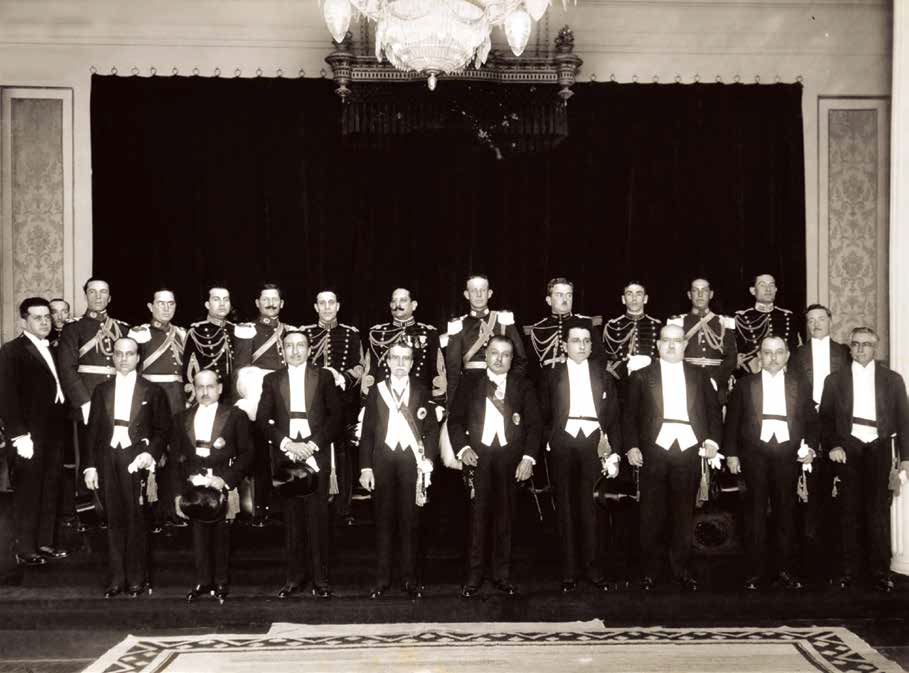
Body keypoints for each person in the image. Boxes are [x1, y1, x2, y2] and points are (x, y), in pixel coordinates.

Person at [624, 324, 723, 591]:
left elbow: (714, 411)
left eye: (677, 341)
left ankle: (681, 569)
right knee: (651, 512)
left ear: (684, 345)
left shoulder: (699, 375)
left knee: (683, 511)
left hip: (689, 447)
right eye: (666, 341)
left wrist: (712, 440)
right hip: (653, 449)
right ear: (657, 345)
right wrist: (631, 446)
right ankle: (650, 571)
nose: (671, 346)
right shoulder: (642, 376)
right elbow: (629, 416)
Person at [447, 335, 541, 598]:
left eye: (506, 355)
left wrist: (528, 458)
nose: (499, 360)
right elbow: (454, 421)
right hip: (478, 456)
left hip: (511, 460)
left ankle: (502, 575)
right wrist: (463, 449)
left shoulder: (523, 386)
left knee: (506, 518)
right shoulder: (470, 382)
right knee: (476, 519)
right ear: (485, 356)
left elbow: (534, 426)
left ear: (512, 359)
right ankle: (474, 576)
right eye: (495, 354)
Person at [819, 326, 909, 592]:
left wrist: (906, 458)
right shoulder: (835, 380)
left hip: (880, 446)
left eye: (866, 344)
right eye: (856, 344)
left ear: (875, 348)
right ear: (849, 347)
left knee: (878, 511)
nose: (860, 349)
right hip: (849, 446)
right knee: (848, 510)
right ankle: (848, 571)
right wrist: (834, 445)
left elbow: (904, 420)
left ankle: (880, 572)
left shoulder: (892, 379)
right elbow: (824, 419)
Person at [725, 336, 818, 591]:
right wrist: (731, 454)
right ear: (760, 357)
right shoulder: (745, 385)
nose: (773, 357)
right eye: (767, 353)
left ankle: (786, 570)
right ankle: (755, 573)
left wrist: (809, 447)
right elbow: (732, 421)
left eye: (778, 352)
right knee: (754, 514)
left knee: (786, 513)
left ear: (787, 355)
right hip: (754, 453)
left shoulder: (800, 384)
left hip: (788, 454)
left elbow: (811, 420)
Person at [256, 331, 343, 599]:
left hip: (315, 452)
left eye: (300, 345)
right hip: (286, 455)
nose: (295, 351)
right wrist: (287, 445)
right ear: (283, 351)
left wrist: (312, 445)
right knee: (292, 519)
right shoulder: (271, 380)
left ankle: (321, 580)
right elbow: (262, 420)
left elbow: (336, 417)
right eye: (290, 346)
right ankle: (294, 578)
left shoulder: (324, 377)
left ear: (309, 349)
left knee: (318, 519)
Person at [82, 337, 171, 597]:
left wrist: (149, 454)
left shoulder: (152, 391)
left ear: (137, 358)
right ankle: (117, 578)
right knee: (113, 518)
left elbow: (163, 430)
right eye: (119, 354)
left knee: (135, 517)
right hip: (107, 458)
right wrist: (89, 466)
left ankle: (136, 578)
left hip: (135, 458)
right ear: (113, 357)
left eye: (129, 354)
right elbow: (92, 431)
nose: (123, 358)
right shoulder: (101, 390)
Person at [540, 326, 621, 593]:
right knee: (564, 506)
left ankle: (594, 569)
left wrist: (614, 452)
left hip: (593, 441)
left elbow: (613, 416)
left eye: (586, 341)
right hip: (563, 440)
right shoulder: (552, 375)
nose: (582, 345)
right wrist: (550, 439)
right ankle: (569, 571)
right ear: (565, 346)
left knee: (593, 506)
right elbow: (542, 413)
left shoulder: (603, 376)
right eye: (576, 341)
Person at [358, 342, 440, 599]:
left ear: (413, 363)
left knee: (411, 520)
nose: (401, 363)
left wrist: (428, 459)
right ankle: (382, 579)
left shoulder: (421, 390)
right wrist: (365, 467)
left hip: (411, 461)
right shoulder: (376, 392)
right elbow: (367, 433)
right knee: (383, 520)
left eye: (406, 359)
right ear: (388, 362)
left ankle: (410, 579)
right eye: (396, 358)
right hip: (382, 459)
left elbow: (431, 430)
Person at [170, 370, 253, 602]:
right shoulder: (181, 418)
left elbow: (248, 454)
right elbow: (176, 460)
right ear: (194, 389)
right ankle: (202, 581)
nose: (205, 392)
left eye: (209, 387)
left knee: (221, 535)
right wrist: (177, 494)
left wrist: (225, 479)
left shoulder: (236, 416)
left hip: (221, 484)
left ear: (220, 388)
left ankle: (221, 581)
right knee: (197, 536)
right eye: (200, 387)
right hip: (193, 486)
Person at [0, 298, 68, 566]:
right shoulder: (12, 351)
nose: (44, 321)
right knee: (29, 490)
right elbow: (6, 396)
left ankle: (44, 542)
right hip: (28, 434)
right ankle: (26, 548)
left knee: (50, 487)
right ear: (23, 320)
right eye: (37, 317)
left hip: (52, 433)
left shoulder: (51, 348)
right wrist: (18, 435)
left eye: (47, 317)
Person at [788, 303, 851, 584]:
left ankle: (837, 568)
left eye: (820, 319)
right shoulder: (797, 355)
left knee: (838, 499)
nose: (815, 324)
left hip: (838, 431)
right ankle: (808, 568)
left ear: (830, 321)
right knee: (807, 500)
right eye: (810, 320)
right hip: (806, 430)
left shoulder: (845, 353)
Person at [57, 279, 129, 502]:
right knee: (87, 458)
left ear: (109, 297)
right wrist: (84, 402)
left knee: (115, 456)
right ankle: (87, 511)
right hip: (87, 402)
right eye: (92, 292)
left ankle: (112, 507)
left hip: (118, 401)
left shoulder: (123, 328)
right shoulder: (73, 328)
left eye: (103, 292)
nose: (98, 297)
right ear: (85, 295)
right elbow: (66, 369)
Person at [301, 290, 366, 524]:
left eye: (331, 303)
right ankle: (315, 502)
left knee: (344, 453)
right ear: (316, 307)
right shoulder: (305, 333)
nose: (327, 307)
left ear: (338, 306)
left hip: (343, 399)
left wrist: (344, 377)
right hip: (312, 401)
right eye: (322, 303)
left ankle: (343, 507)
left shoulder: (351, 333)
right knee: (313, 449)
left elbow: (361, 365)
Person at [232, 283, 293, 525]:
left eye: (275, 299)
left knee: (284, 450)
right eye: (265, 299)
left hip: (287, 396)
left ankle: (286, 503)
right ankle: (260, 505)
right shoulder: (247, 330)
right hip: (257, 395)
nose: (270, 303)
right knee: (259, 453)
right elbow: (241, 368)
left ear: (282, 303)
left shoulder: (291, 331)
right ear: (257, 303)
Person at [129, 288, 188, 529]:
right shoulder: (140, 333)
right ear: (150, 306)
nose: (166, 308)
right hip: (150, 399)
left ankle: (172, 510)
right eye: (161, 303)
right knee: (152, 455)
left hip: (176, 400)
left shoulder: (183, 333)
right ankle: (148, 514)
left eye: (170, 303)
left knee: (175, 456)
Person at [445, 275, 527, 407]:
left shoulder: (503, 320)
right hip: (471, 393)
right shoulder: (458, 325)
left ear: (489, 293)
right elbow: (453, 372)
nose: (478, 295)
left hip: (502, 391)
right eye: (473, 290)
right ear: (467, 294)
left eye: (482, 290)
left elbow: (520, 360)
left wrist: (511, 387)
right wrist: (452, 408)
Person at [365, 288, 445, 408]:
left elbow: (437, 371)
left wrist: (438, 405)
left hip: (419, 401)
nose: (397, 305)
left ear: (413, 305)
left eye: (403, 300)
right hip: (384, 401)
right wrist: (366, 405)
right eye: (394, 301)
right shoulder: (376, 333)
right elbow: (370, 372)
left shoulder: (429, 333)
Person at [666, 278, 737, 405]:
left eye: (704, 291)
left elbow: (731, 358)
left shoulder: (723, 322)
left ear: (711, 294)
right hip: (686, 384)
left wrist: (716, 380)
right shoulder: (678, 322)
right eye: (695, 290)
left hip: (717, 387)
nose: (699, 295)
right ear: (689, 295)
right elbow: (672, 355)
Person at [183, 286, 254, 405]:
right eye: (216, 299)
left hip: (236, 396)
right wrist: (193, 399)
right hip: (210, 396)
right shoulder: (196, 332)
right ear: (207, 304)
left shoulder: (237, 330)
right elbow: (190, 370)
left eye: (226, 299)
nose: (222, 304)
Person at [525, 277, 604, 372]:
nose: (565, 299)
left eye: (569, 295)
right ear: (549, 300)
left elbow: (599, 359)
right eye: (559, 295)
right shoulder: (538, 329)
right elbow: (532, 368)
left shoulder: (586, 324)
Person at [734, 274, 801, 375]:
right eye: (762, 285)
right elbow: (733, 352)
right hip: (752, 376)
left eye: (771, 285)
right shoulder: (741, 318)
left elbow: (796, 349)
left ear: (775, 290)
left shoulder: (788, 316)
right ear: (753, 290)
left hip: (785, 375)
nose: (768, 289)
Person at [602, 281, 661, 390]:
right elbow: (607, 360)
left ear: (645, 298)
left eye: (638, 294)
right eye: (629, 294)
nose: (634, 298)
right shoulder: (611, 326)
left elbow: (662, 358)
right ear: (623, 299)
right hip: (622, 386)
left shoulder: (658, 326)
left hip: (652, 385)